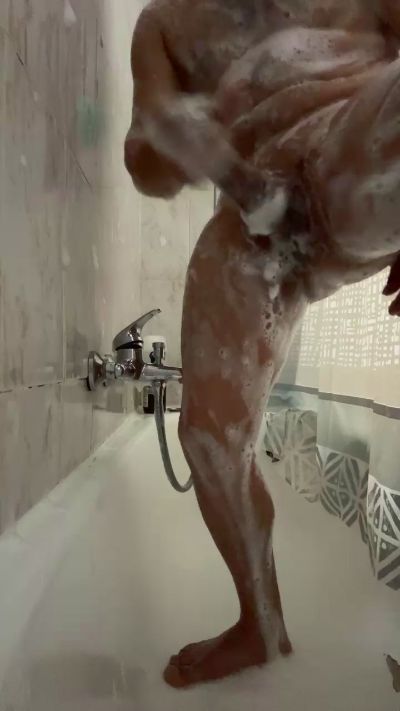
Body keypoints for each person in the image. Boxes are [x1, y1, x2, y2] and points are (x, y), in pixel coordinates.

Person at [125, 0, 400, 688]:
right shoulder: (161, 27)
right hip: (250, 227)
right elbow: (143, 163)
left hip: (354, 151)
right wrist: (171, 141)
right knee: (210, 441)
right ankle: (260, 624)